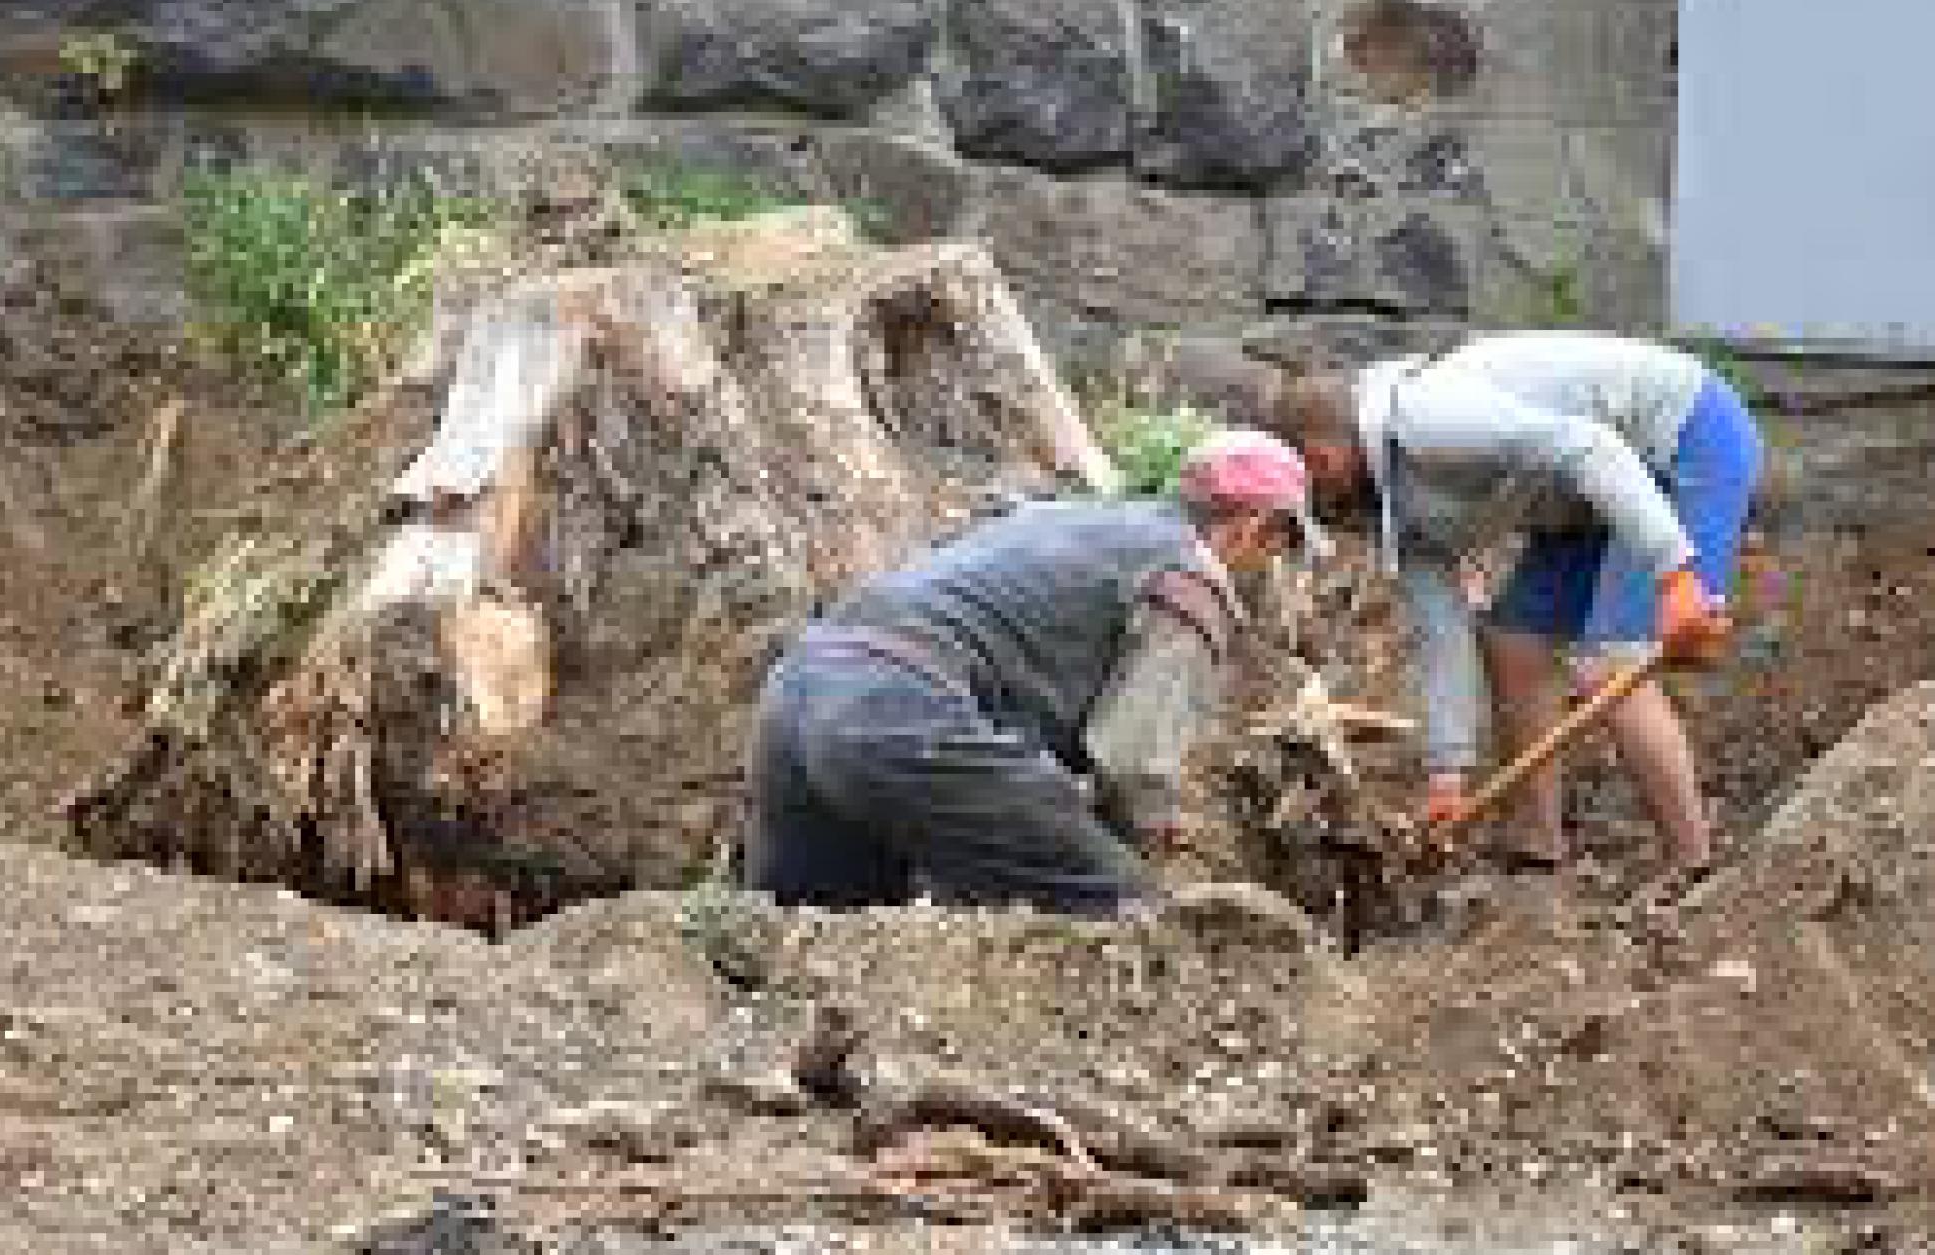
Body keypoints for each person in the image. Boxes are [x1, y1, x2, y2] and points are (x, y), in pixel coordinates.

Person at [741, 430, 1327, 914]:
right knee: (1130, 918)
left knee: (812, 941)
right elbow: (1132, 763)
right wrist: (1131, 852)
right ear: (1254, 529)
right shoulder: (1189, 579)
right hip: (899, 713)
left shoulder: (1064, 518)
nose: (1267, 565)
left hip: (795, 691)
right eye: (1276, 547)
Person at [1268, 332, 1763, 887]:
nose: (1328, 516)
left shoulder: (1426, 419)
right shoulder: (1397, 509)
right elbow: (1442, 635)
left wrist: (1674, 571)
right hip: (1581, 502)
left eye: (1316, 502)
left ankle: (1697, 870)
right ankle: (1537, 849)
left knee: (1612, 661)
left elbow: (1589, 448)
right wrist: (1446, 773)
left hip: (1681, 442)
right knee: (1513, 639)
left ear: (1322, 459)